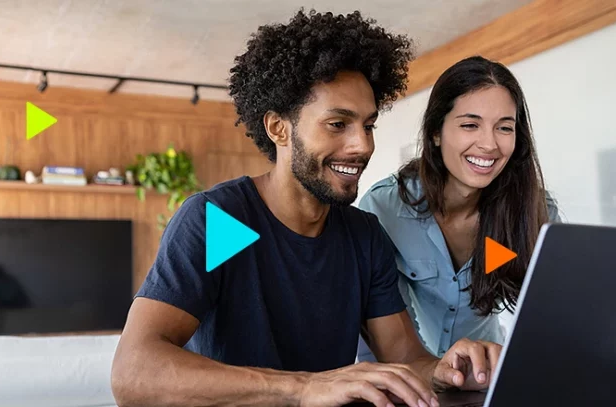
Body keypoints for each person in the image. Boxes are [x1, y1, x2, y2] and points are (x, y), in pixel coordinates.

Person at [112, 11, 502, 407]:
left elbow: (405, 359)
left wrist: (446, 369)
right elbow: (134, 374)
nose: (362, 146)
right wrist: (302, 387)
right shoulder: (224, 222)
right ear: (279, 128)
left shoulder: (363, 236)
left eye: (368, 126)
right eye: (338, 124)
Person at [356, 56, 562, 363]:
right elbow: (376, 319)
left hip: (487, 373)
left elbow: (555, 314)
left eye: (504, 127)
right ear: (436, 133)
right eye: (470, 125)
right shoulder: (384, 208)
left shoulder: (535, 212)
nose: (489, 144)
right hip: (410, 370)